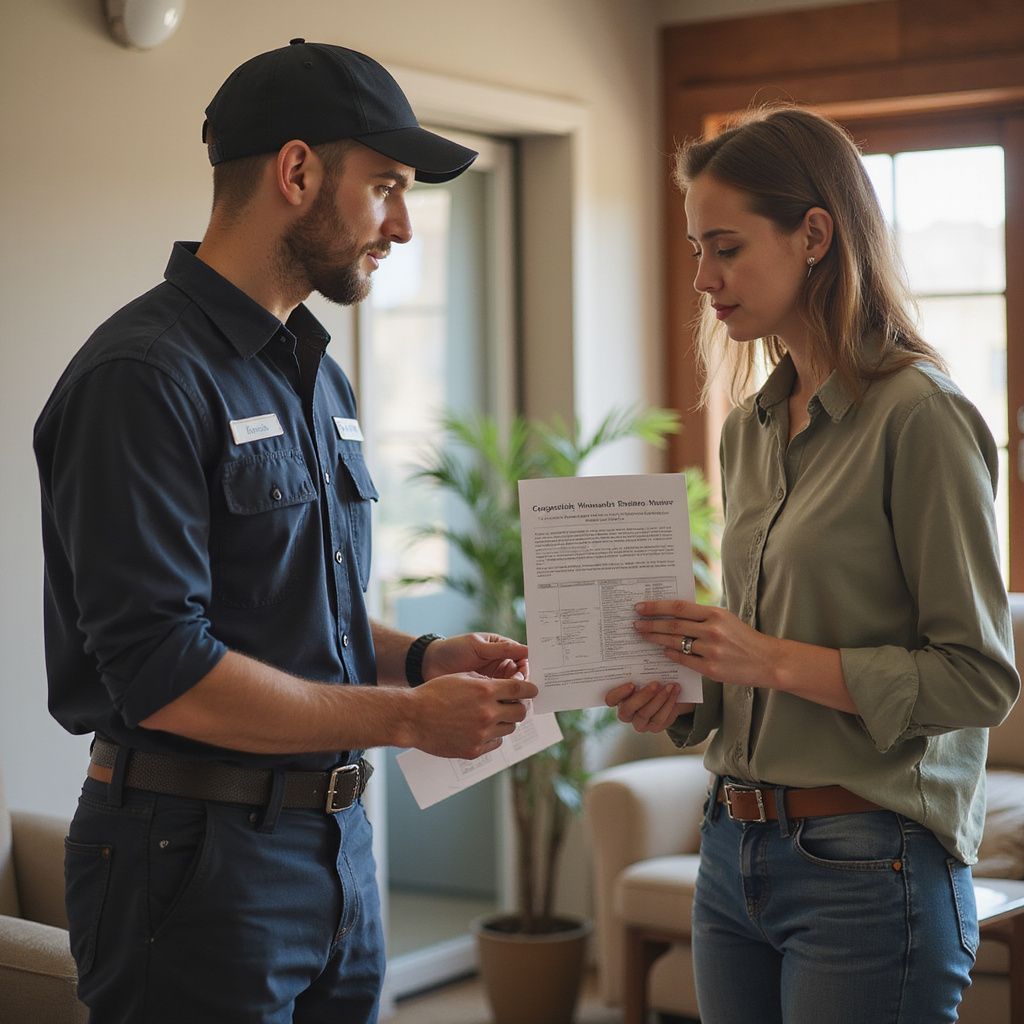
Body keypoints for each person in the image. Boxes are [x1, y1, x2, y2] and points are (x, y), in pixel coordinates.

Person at [33, 39, 536, 1024]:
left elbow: (308, 609)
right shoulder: (143, 378)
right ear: (296, 171)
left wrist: (423, 658)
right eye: (386, 186)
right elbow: (164, 668)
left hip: (338, 850)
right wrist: (404, 719)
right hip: (191, 858)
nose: (401, 224)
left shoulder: (317, 374)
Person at [605, 106, 1020, 1024]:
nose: (704, 280)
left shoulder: (921, 418)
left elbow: (981, 679)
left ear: (816, 236)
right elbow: (754, 663)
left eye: (726, 248)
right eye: (694, 251)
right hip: (731, 852)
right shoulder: (753, 430)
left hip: (872, 869)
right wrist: (680, 691)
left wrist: (764, 657)